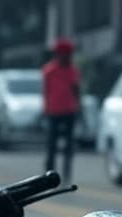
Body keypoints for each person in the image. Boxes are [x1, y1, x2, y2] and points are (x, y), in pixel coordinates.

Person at [42, 38, 81, 184]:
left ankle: (66, 174)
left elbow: (76, 89)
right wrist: (45, 109)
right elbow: (45, 91)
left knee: (68, 145)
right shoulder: (49, 70)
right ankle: (49, 174)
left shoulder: (72, 70)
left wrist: (78, 107)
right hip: (53, 111)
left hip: (69, 110)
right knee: (51, 145)